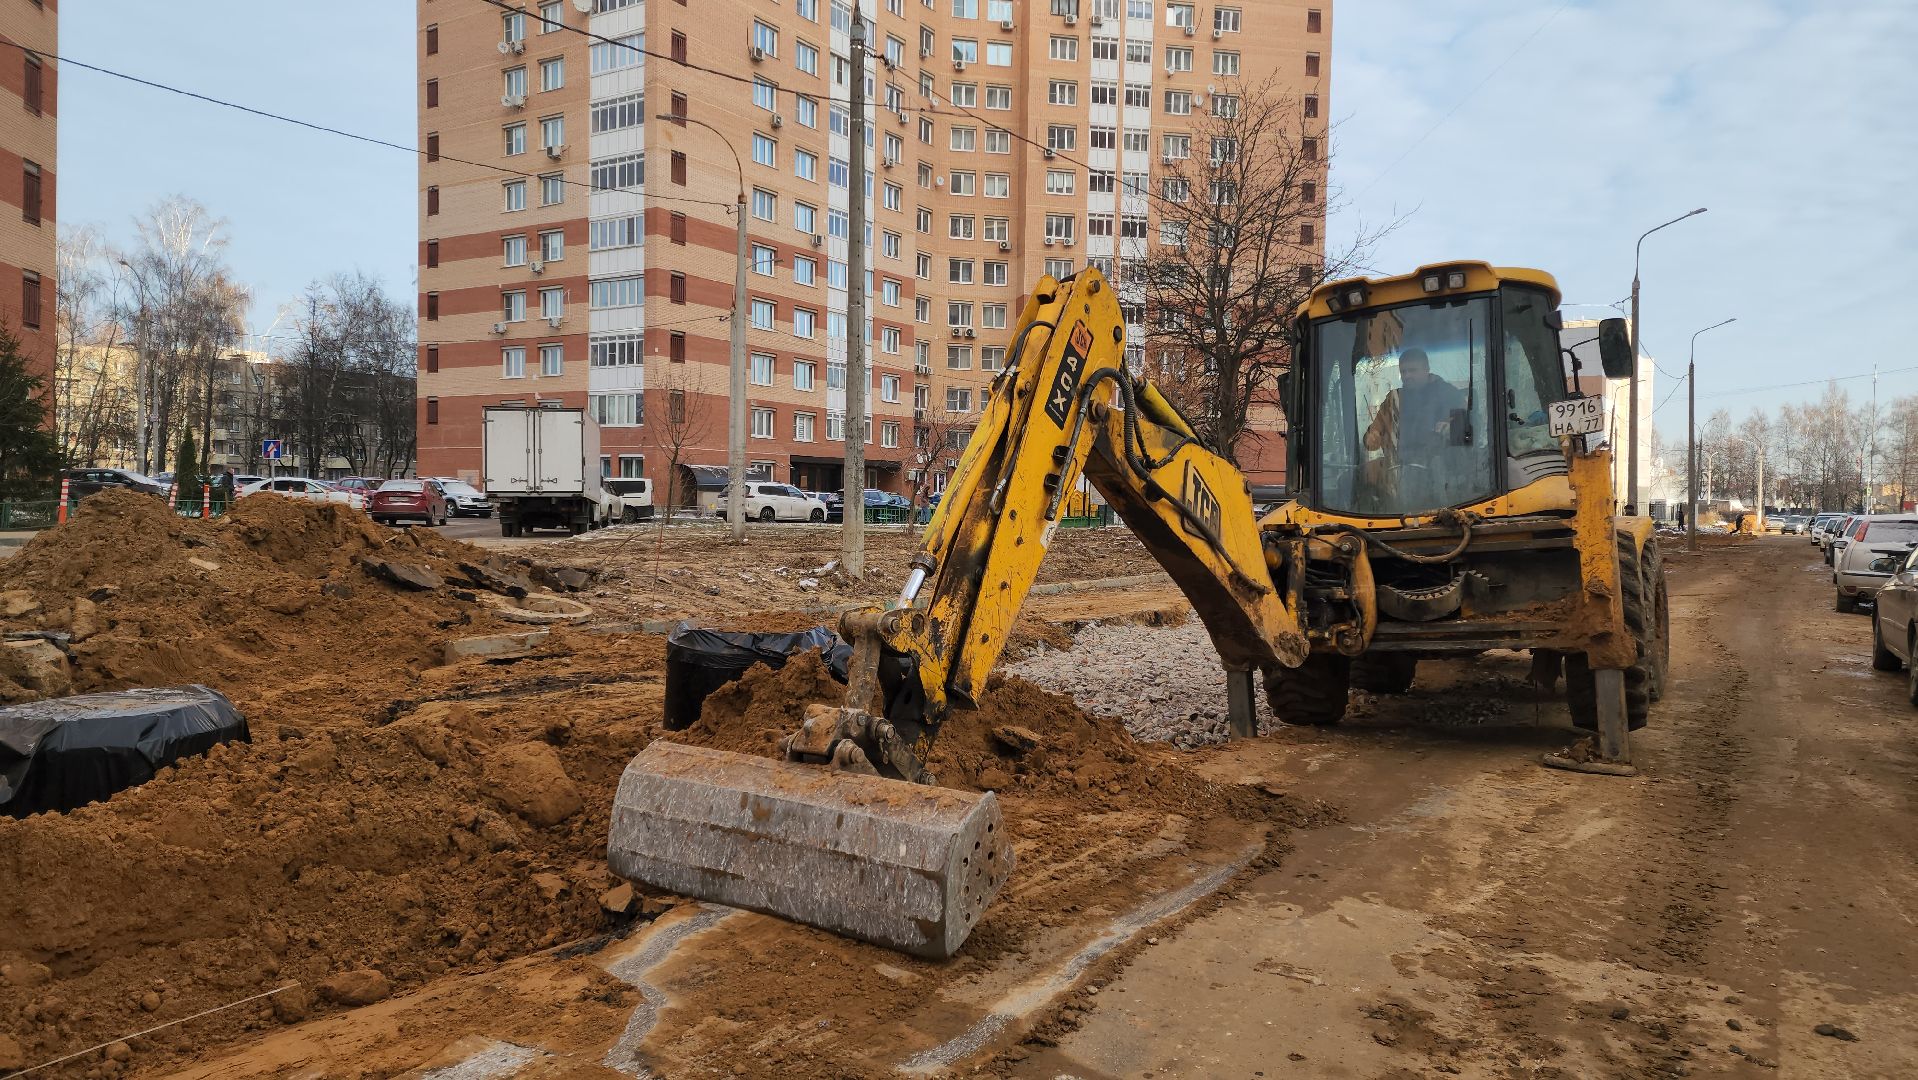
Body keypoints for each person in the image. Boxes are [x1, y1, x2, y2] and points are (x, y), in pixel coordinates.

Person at [1361, 349, 1467, 506]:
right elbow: (1372, 441)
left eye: (1412, 370)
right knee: (1354, 480)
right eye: (1403, 371)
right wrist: (1372, 435)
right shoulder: (1393, 400)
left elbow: (1463, 435)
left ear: (1426, 369)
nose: (1407, 375)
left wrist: (1449, 429)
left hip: (1440, 472)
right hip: (1397, 472)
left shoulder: (1450, 395)